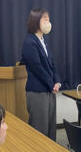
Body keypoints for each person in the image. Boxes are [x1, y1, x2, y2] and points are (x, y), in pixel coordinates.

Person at [21, 8, 61, 140]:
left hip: (49, 89)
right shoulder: (29, 42)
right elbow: (37, 67)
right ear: (36, 21)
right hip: (37, 91)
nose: (48, 23)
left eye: (49, 20)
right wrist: (51, 84)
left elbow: (52, 64)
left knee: (50, 126)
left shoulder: (43, 41)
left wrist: (57, 82)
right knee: (40, 128)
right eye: (45, 20)